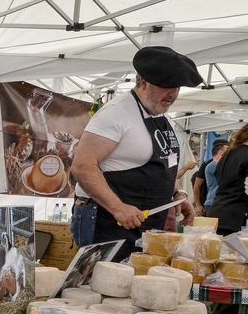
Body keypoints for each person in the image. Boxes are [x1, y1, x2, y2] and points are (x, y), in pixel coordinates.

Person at [69, 46, 201, 259]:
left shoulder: (158, 114)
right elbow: (82, 166)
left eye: (176, 87)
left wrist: (177, 195)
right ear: (143, 82)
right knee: (105, 285)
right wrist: (118, 207)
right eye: (166, 86)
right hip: (108, 221)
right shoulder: (115, 114)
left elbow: (164, 164)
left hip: (144, 224)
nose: (173, 94)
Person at [193, 139, 228, 215]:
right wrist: (198, 205)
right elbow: (196, 186)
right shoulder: (209, 165)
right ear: (220, 151)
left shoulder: (224, 164)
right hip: (211, 202)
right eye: (227, 149)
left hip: (218, 202)